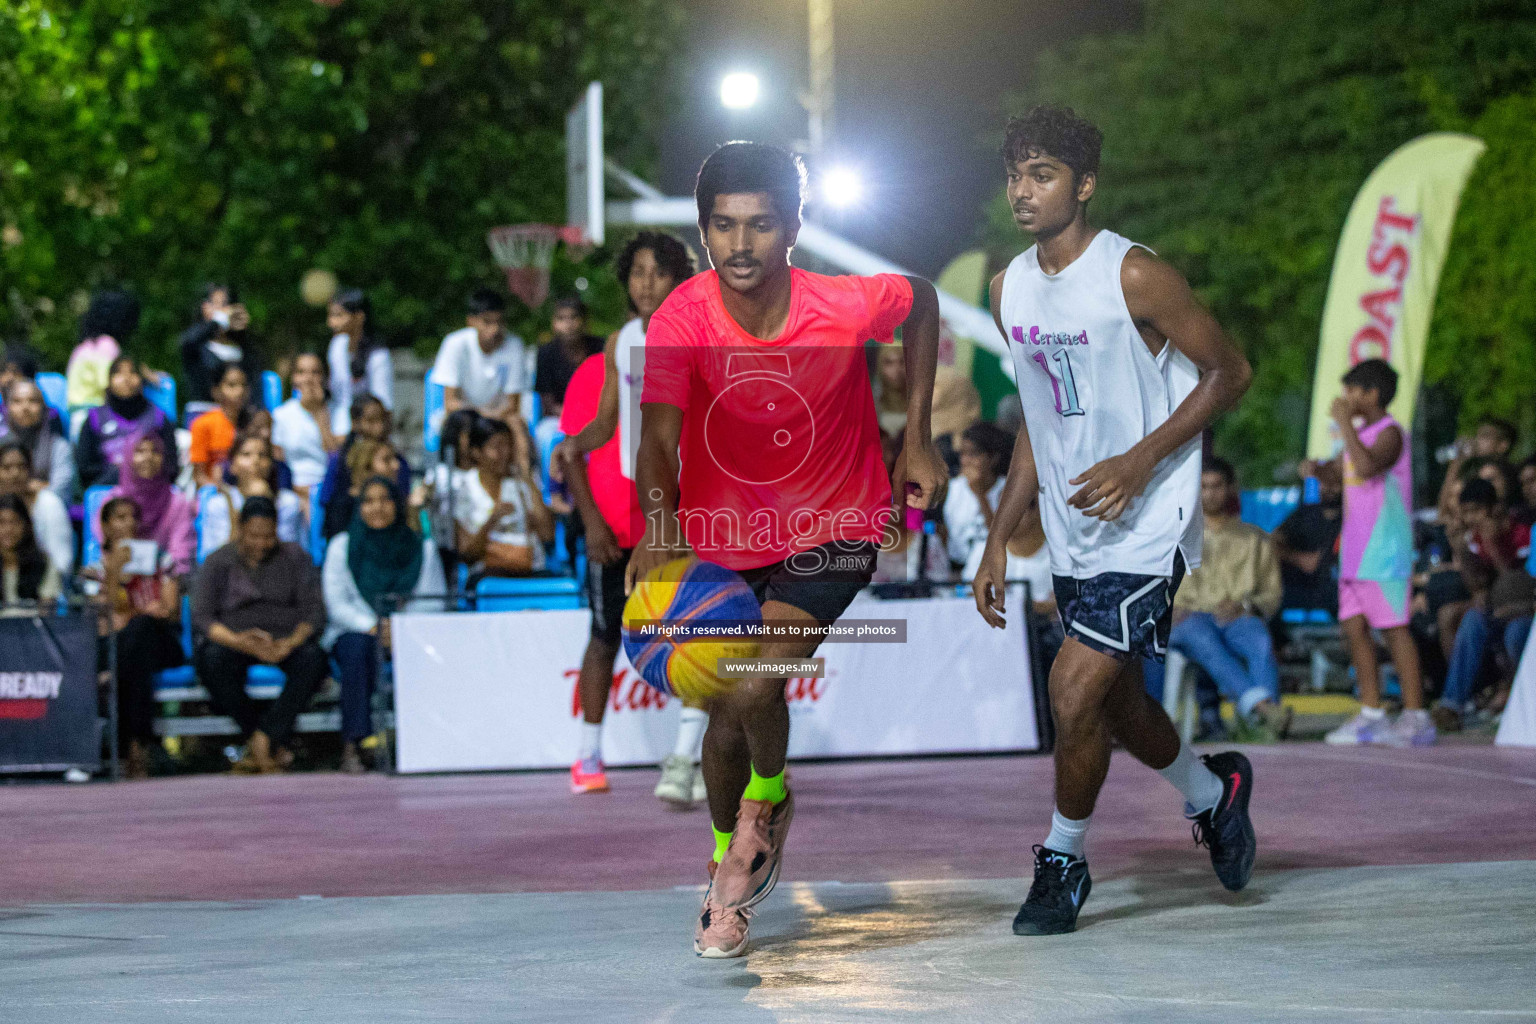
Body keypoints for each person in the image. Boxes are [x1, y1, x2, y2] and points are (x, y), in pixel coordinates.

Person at [631, 142, 944, 958]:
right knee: (729, 708)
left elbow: (922, 299)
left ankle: (759, 820)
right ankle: (723, 859)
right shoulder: (680, 319)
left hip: (837, 525)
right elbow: (656, 442)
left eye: (761, 225)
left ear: (794, 226)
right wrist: (656, 525)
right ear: (703, 233)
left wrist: (918, 437)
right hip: (720, 534)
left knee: (753, 677)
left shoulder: (841, 304)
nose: (742, 245)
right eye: (724, 227)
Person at [971, 106, 1256, 937]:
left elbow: (1229, 371)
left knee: (1072, 688)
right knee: (1118, 704)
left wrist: (1139, 461)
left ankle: (1063, 863)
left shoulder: (1134, 274)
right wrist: (998, 535)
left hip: (1145, 519)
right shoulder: (1007, 288)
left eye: (1044, 174)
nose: (1024, 192)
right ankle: (1215, 795)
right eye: (1016, 174)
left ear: (1084, 185)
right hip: (1070, 528)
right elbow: (1036, 419)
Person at [550, 231, 709, 802]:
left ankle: (686, 758)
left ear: (679, 279)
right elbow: (607, 422)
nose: (645, 282)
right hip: (624, 512)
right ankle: (588, 754)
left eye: (657, 271)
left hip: (686, 508)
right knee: (604, 634)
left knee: (700, 633)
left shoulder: (699, 337)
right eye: (636, 272)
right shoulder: (623, 341)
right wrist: (573, 443)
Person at [1316, 359, 1434, 746]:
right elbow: (1341, 475)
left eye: (1352, 391)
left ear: (1372, 394)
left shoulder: (1390, 433)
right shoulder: (1357, 435)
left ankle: (1417, 715)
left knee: (1393, 630)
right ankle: (1372, 712)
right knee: (1354, 629)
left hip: (1384, 550)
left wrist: (1346, 427)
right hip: (1353, 549)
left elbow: (1366, 468)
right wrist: (1319, 471)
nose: (1345, 399)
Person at [192, 497, 328, 773]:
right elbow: (203, 617)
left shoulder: (295, 558)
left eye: (269, 536)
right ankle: (264, 739)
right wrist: (240, 642)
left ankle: (262, 740)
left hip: (284, 640)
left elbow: (314, 613)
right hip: (237, 640)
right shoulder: (218, 561)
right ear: (241, 529)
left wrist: (289, 642)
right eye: (254, 536)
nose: (262, 544)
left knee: (314, 660)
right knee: (211, 660)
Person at [323, 477, 444, 773]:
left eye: (386, 500)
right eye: (368, 501)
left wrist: (400, 629)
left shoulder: (421, 547)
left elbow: (433, 601)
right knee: (356, 650)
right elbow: (336, 602)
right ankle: (356, 743)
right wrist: (375, 627)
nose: (377, 508)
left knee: (425, 655)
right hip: (357, 631)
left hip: (409, 632)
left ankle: (425, 742)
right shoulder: (343, 546)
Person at [1163, 458, 1291, 740]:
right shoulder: (1176, 536)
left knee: (1258, 637)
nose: (1210, 493)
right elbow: (1155, 585)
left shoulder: (1254, 539)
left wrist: (1244, 606)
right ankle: (1263, 711)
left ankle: (1261, 722)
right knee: (1201, 636)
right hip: (1187, 620)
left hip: (1236, 617)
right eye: (1204, 487)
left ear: (1230, 488)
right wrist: (1168, 606)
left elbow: (1272, 594)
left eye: (1217, 486)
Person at [81, 496, 184, 778]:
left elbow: (170, 611)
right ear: (105, 526)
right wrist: (114, 573)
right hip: (121, 648)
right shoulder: (96, 568)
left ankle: (125, 746)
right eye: (120, 517)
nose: (128, 523)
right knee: (133, 657)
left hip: (160, 643)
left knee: (139, 632)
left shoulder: (161, 558)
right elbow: (102, 623)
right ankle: (139, 744)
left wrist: (133, 615)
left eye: (132, 517)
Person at [1435, 477, 1533, 728]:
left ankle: (1520, 703)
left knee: (1516, 633)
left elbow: (1512, 582)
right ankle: (1452, 704)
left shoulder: (1520, 533)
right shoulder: (1474, 538)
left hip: (1522, 610)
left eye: (1476, 511)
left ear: (1493, 509)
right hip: (1495, 611)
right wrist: (1461, 549)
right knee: (1471, 619)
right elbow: (1478, 586)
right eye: (1466, 512)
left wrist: (1493, 544)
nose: (1471, 519)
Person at [454, 416, 554, 579]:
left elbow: (548, 534)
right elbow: (467, 554)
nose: (505, 453)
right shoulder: (464, 488)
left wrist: (526, 475)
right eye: (497, 446)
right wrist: (493, 519)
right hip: (487, 575)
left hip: (530, 570)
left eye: (509, 445)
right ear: (476, 452)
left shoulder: (523, 485)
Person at [75, 356, 180, 493]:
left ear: (142, 380)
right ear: (109, 380)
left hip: (152, 490)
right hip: (108, 492)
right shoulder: (94, 418)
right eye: (118, 373)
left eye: (132, 372)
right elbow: (85, 469)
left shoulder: (158, 418)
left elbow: (171, 467)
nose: (126, 378)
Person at [101, 434, 197, 578]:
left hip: (163, 583)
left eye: (155, 452)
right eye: (140, 451)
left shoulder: (177, 503)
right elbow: (104, 550)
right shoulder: (113, 501)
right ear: (127, 457)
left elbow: (180, 557)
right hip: (116, 579)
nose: (148, 457)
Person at [197, 433, 307, 555]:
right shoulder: (219, 503)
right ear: (232, 465)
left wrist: (267, 501)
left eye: (262, 455)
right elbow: (215, 557)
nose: (255, 461)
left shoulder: (288, 502)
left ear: (271, 464)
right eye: (246, 455)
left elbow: (288, 554)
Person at [316, 395, 410, 534]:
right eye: (371, 421)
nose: (380, 426)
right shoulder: (341, 461)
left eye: (382, 419)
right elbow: (328, 502)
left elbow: (403, 499)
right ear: (355, 423)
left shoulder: (398, 461)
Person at [433, 288, 525, 421]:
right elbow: (450, 403)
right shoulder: (454, 343)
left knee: (517, 425)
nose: (495, 329)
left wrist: (487, 417)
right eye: (487, 322)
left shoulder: (514, 345)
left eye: (500, 322)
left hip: (499, 419)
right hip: (463, 418)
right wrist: (481, 416)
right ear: (471, 321)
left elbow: (513, 406)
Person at [944, 421, 1014, 574]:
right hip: (958, 569)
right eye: (962, 454)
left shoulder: (1008, 489)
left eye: (973, 454)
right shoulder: (952, 489)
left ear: (993, 458)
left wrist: (980, 495)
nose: (965, 461)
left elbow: (1002, 540)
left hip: (1000, 569)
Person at [1274, 466, 1344, 615]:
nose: (1329, 488)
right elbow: (1273, 541)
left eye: (1336, 483)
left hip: (1336, 587)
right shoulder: (1305, 513)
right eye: (1325, 483)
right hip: (1299, 586)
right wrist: (1298, 559)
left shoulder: (1351, 518)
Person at [271, 352, 341, 498]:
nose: (308, 378)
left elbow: (335, 455)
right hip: (293, 489)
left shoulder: (337, 412)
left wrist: (319, 412)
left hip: (329, 488)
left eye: (315, 372)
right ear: (294, 377)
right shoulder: (282, 414)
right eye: (302, 372)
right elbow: (278, 458)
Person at [179, 283, 260, 408]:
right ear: (204, 307)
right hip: (205, 414)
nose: (222, 310)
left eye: (225, 305)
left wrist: (243, 331)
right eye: (215, 304)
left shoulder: (244, 349)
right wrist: (220, 320)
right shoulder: (196, 347)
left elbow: (253, 385)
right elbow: (187, 343)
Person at [0, 440, 73, 576]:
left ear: (30, 470)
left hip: (41, 583)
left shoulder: (49, 503)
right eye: (6, 467)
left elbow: (61, 562)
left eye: (22, 467)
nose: (15, 473)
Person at [326, 288, 393, 431]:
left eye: (339, 315)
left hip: (364, 430)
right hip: (336, 425)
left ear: (359, 317)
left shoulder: (377, 355)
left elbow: (383, 405)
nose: (331, 323)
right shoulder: (337, 346)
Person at [535, 296, 605, 426]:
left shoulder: (601, 348)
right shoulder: (546, 353)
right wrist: (576, 417)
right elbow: (548, 404)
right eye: (561, 319)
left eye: (574, 317)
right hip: (559, 419)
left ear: (584, 321)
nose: (568, 325)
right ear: (553, 323)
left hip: (600, 417)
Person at [0, 378, 73, 500]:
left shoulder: (59, 446)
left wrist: (20, 488)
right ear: (7, 408)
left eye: (33, 401)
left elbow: (59, 491)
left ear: (44, 409)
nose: (25, 407)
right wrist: (32, 487)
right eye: (17, 401)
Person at [66, 289, 139, 411]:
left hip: (75, 412)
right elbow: (110, 383)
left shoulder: (84, 346)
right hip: (94, 414)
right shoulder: (107, 345)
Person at [322, 437, 405, 541]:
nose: (396, 465)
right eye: (386, 460)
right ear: (366, 466)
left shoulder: (398, 501)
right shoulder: (342, 508)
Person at [189, 363, 254, 487]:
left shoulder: (254, 423)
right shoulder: (203, 424)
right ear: (216, 391)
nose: (239, 391)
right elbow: (199, 476)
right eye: (231, 385)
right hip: (215, 491)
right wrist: (223, 492)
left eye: (243, 385)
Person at [0, 493, 60, 608]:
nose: (8, 530)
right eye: (2, 522)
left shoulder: (44, 563)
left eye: (15, 522)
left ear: (26, 525)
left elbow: (46, 611)